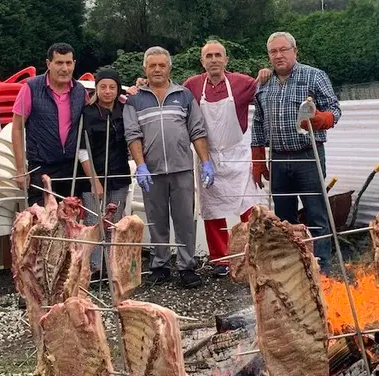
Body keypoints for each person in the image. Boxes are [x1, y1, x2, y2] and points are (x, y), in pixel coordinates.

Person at [251, 32, 341, 274]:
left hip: (308, 156)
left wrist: (322, 119)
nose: (278, 55)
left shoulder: (314, 76)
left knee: (316, 214)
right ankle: (293, 268)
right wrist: (258, 157)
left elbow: (335, 109)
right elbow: (258, 121)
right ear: (269, 55)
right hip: (278, 158)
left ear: (294, 51)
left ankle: (322, 270)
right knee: (283, 218)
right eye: (273, 51)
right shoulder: (264, 83)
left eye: (283, 50)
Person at [124, 46, 214, 288]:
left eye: (161, 65)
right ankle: (160, 265)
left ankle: (187, 267)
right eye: (152, 65)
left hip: (182, 169)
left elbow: (197, 129)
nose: (157, 69)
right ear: (145, 68)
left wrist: (205, 161)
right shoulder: (134, 99)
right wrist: (140, 166)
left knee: (185, 220)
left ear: (169, 68)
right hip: (151, 172)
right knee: (156, 220)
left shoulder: (184, 95)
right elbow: (132, 135)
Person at [181, 40, 271, 277]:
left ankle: (253, 253)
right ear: (202, 61)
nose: (213, 60)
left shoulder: (242, 83)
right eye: (208, 56)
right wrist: (141, 87)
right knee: (213, 211)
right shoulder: (192, 85)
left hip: (236, 154)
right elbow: (171, 97)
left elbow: (267, 94)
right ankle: (220, 260)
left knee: (248, 206)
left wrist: (265, 75)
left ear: (226, 60)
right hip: (207, 155)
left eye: (218, 55)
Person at [12, 42, 90, 206]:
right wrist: (20, 169)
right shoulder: (30, 88)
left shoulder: (80, 91)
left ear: (74, 64)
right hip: (41, 166)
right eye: (59, 63)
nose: (65, 68)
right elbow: (17, 128)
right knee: (42, 224)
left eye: (68, 63)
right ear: (49, 64)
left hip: (72, 168)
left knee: (71, 224)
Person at [78, 68, 131, 276]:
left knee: (114, 223)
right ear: (96, 89)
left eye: (112, 87)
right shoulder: (87, 113)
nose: (107, 91)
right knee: (94, 222)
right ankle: (94, 268)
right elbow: (82, 150)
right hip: (93, 176)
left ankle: (112, 268)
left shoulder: (125, 111)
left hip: (119, 175)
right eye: (103, 87)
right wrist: (94, 181)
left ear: (118, 90)